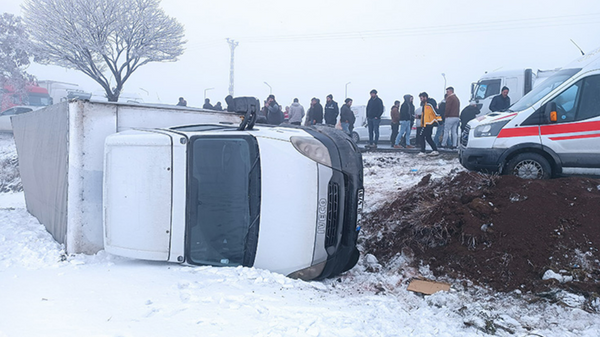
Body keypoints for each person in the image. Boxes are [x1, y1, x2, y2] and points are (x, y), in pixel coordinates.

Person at [418, 92, 441, 156]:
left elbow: (436, 112)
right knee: (428, 137)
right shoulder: (425, 105)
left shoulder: (430, 104)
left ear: (425, 97)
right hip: (427, 123)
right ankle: (435, 150)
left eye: (421, 98)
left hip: (429, 123)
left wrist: (440, 121)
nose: (420, 99)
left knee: (421, 136)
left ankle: (423, 151)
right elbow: (425, 115)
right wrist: (420, 117)